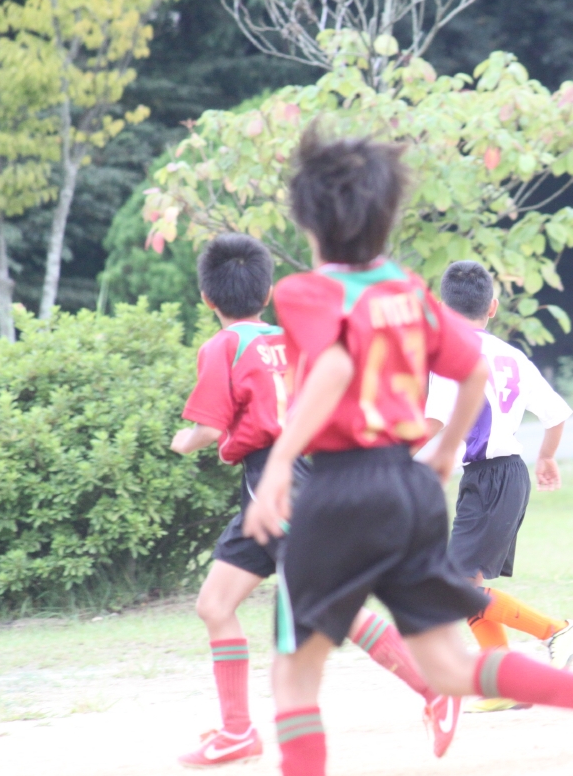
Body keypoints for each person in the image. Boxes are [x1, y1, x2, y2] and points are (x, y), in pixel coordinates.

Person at [243, 129, 573, 776]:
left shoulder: (305, 293)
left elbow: (332, 369)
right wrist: (444, 453)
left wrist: (279, 464)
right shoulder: (406, 291)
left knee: (294, 674)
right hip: (410, 489)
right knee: (446, 665)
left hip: (339, 487)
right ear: (386, 216)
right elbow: (472, 367)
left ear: (308, 222)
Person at [170, 233, 453, 766]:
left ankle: (435, 688)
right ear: (268, 292)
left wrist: (183, 441)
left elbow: (206, 428)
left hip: (273, 480)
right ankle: (237, 732)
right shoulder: (289, 339)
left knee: (327, 603)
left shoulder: (223, 346)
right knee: (215, 604)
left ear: (207, 299)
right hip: (297, 474)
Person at [424, 260, 573, 713]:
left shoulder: (450, 353)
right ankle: (503, 684)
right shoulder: (512, 356)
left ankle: (557, 630)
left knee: (455, 586)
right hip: (506, 474)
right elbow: (556, 414)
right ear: (493, 307)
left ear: (442, 308)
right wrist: (547, 457)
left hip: (491, 477)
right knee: (467, 584)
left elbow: (433, 420)